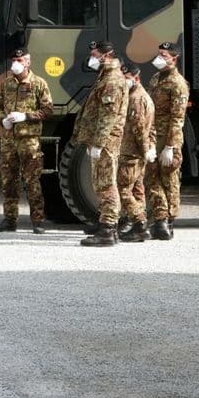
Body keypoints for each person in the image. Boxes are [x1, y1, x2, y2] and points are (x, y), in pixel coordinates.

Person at [0, 48, 54, 234]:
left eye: (19, 60)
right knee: (9, 181)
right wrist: (3, 120)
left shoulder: (39, 83)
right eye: (13, 60)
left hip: (29, 140)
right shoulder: (7, 84)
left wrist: (25, 116)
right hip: (9, 140)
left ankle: (37, 221)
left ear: (27, 62)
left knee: (32, 181)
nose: (15, 63)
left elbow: (48, 110)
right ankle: (10, 220)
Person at [77, 41, 127, 247]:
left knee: (106, 184)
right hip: (101, 139)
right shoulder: (105, 76)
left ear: (106, 55)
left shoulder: (113, 80)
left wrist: (98, 142)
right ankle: (105, 225)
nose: (92, 57)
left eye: (95, 54)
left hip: (106, 141)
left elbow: (108, 115)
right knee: (100, 183)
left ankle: (108, 230)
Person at [145, 41, 190, 241]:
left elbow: (177, 118)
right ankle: (159, 219)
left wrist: (170, 146)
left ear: (174, 58)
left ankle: (169, 221)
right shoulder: (155, 79)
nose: (160, 58)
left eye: (164, 55)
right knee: (152, 177)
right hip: (154, 135)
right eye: (159, 54)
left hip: (169, 138)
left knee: (169, 179)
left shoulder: (178, 83)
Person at [117, 63, 157, 242]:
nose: (124, 82)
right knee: (138, 190)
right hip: (137, 152)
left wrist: (145, 149)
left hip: (131, 152)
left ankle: (139, 224)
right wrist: (149, 148)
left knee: (123, 189)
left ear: (136, 78)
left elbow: (139, 129)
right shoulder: (138, 96)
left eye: (126, 79)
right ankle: (138, 225)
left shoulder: (136, 99)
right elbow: (151, 128)